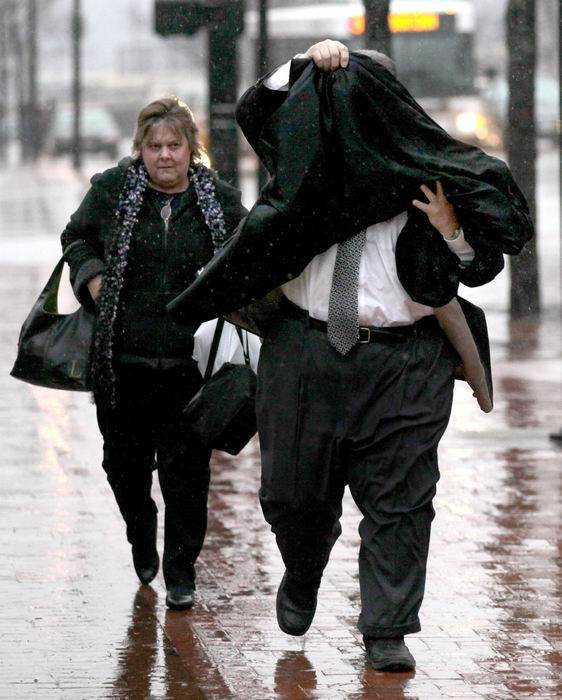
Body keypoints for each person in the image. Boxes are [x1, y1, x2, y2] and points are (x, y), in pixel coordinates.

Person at [237, 40, 528, 672]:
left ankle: (387, 627)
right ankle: (305, 564)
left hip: (406, 361)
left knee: (402, 499)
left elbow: (483, 266)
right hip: (304, 351)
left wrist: (450, 227)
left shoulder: (430, 173)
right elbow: (254, 111)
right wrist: (303, 66)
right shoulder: (301, 165)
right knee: (292, 498)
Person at [60, 96, 246, 610]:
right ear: (140, 149)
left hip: (191, 368)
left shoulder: (220, 200)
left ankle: (181, 570)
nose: (165, 155)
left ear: (192, 148)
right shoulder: (113, 192)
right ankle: (141, 534)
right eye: (154, 146)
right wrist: (92, 277)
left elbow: (254, 249)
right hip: (123, 364)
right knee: (123, 466)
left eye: (174, 145)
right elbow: (75, 237)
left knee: (186, 474)